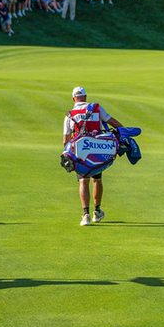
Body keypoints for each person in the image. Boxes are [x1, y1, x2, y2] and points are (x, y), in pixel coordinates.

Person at [63, 86, 125, 226]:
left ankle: (86, 215)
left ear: (74, 99)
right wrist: (125, 132)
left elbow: (65, 139)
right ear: (85, 97)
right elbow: (112, 122)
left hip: (79, 150)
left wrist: (67, 154)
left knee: (83, 181)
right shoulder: (95, 107)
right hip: (97, 149)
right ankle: (97, 212)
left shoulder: (70, 114)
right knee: (96, 179)